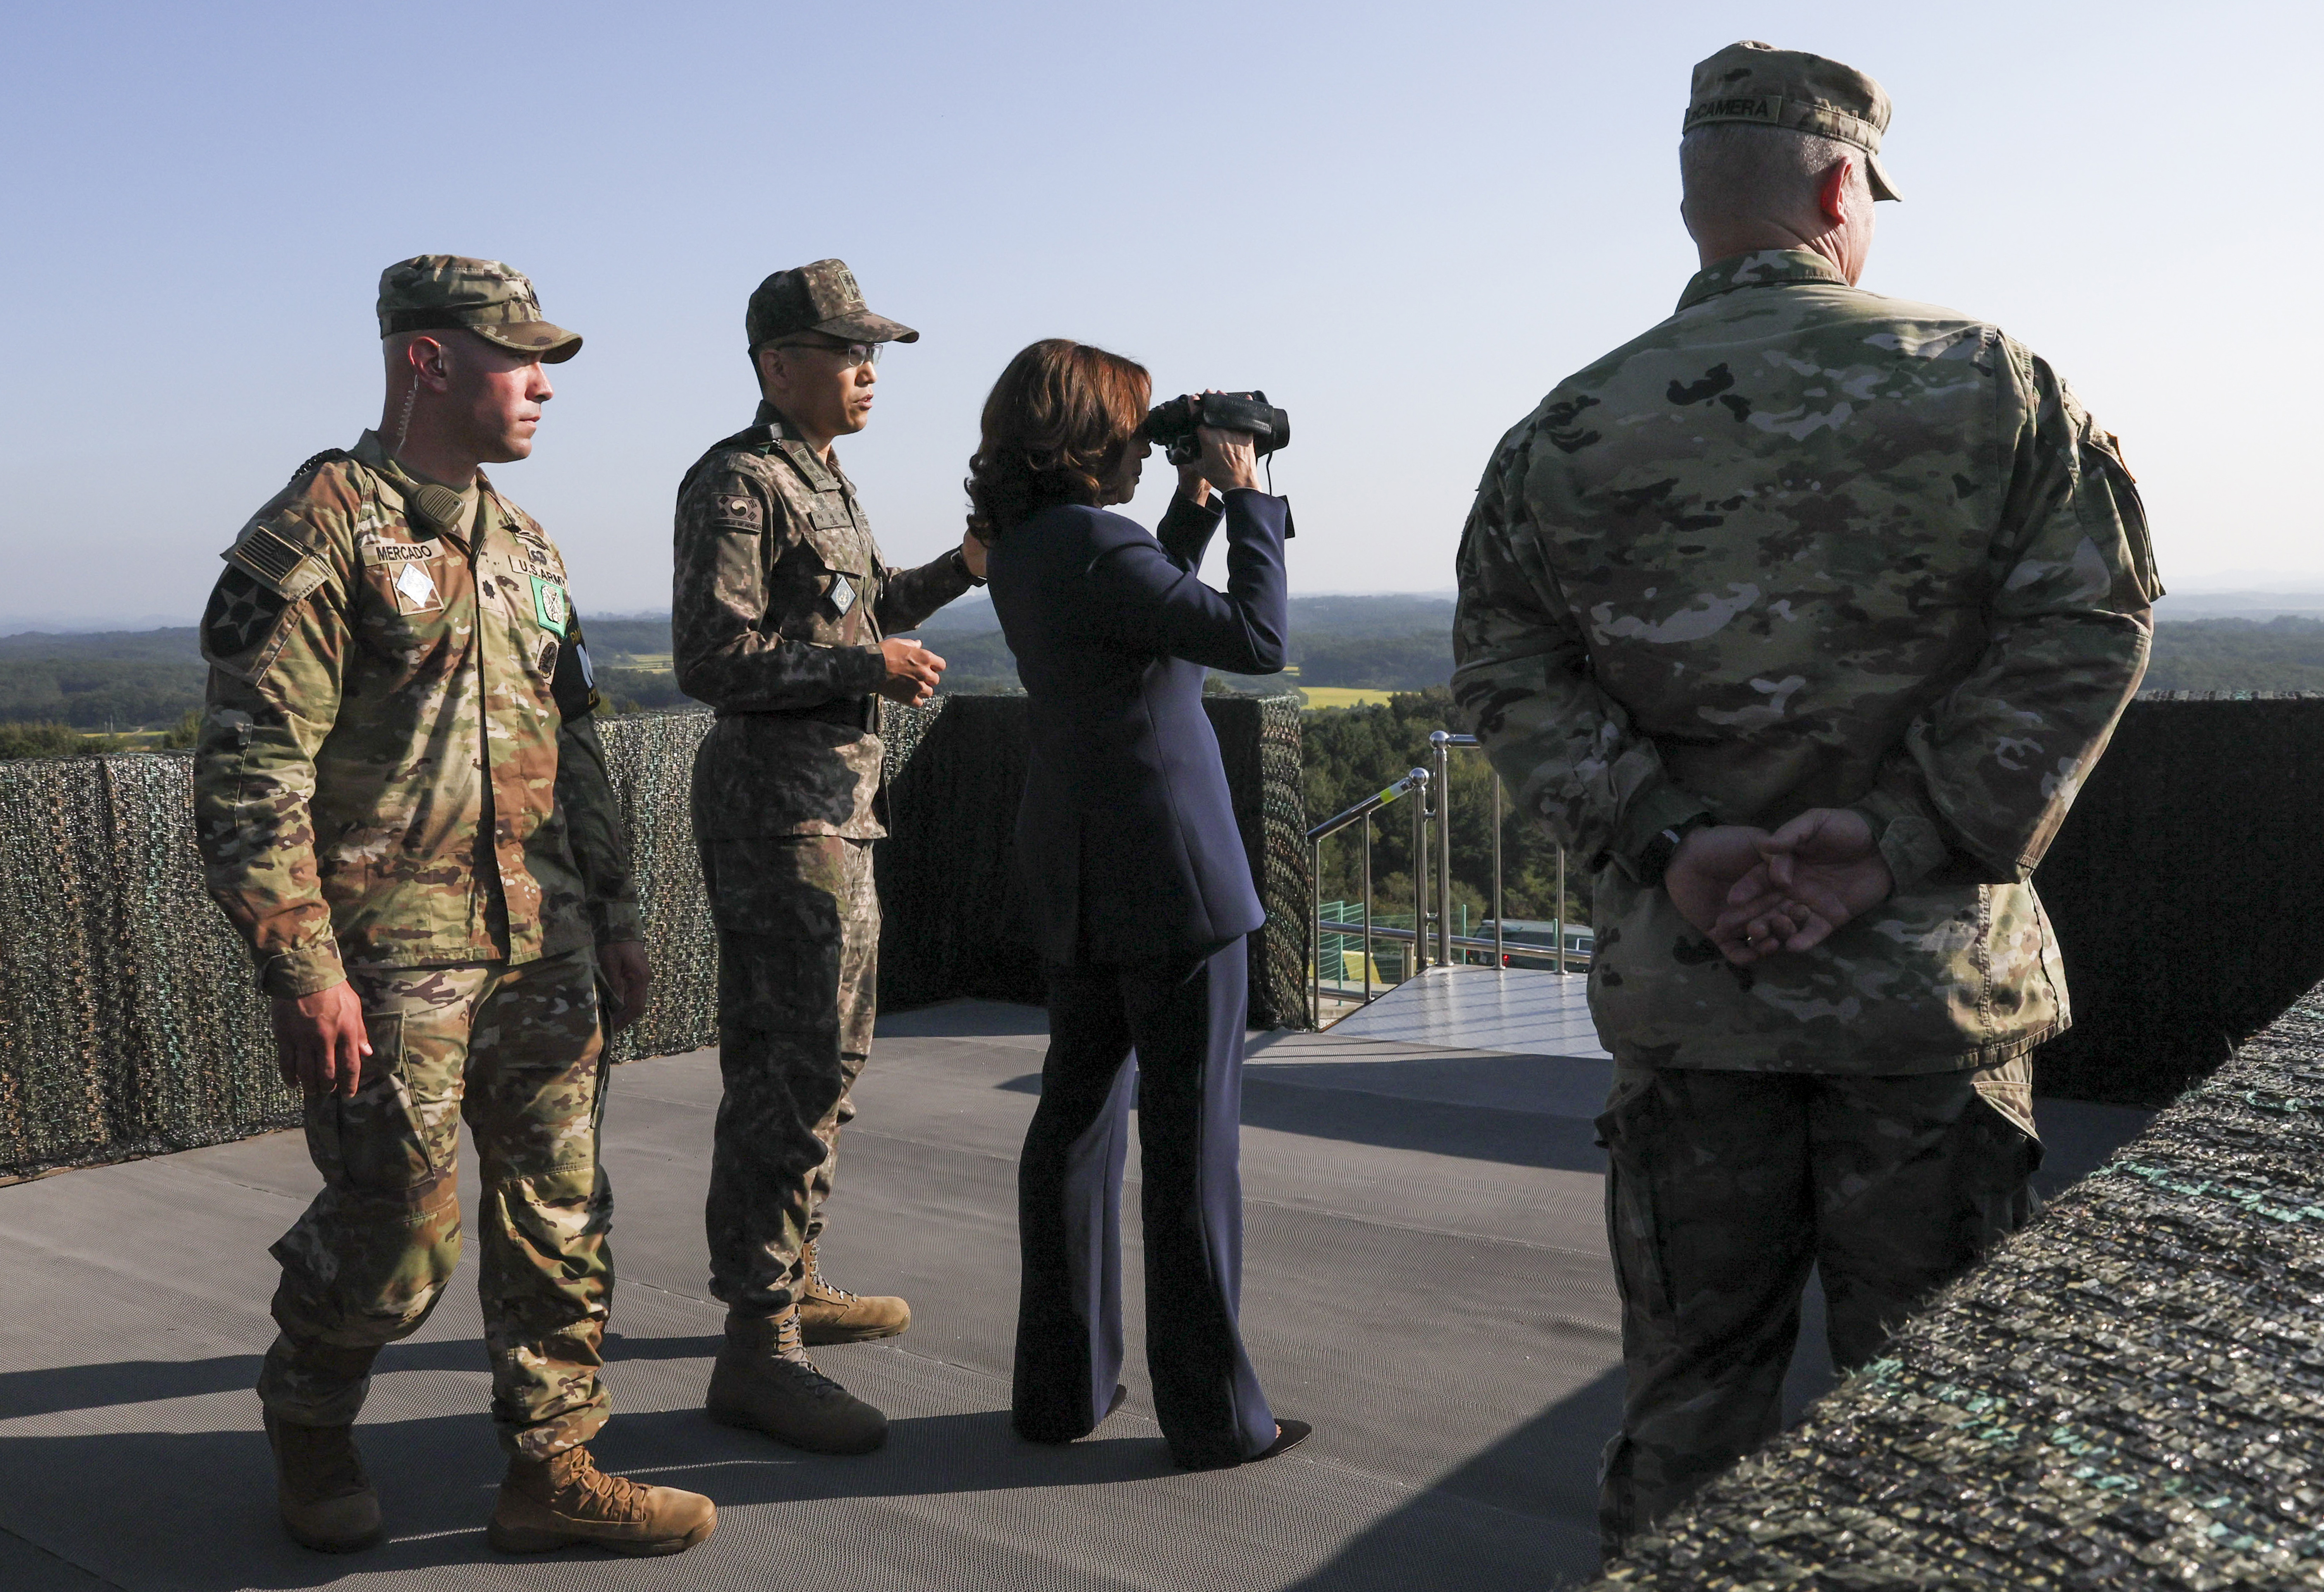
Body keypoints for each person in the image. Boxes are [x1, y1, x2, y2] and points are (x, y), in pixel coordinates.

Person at [1451, 41, 2160, 1555]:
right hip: (1925, 1005)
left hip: (1696, 1001)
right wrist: (1893, 841)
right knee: (1943, 1425)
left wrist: (1677, 846)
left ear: (1697, 202)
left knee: (1694, 1400)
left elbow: (1506, 672)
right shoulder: (1996, 387)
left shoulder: (1563, 432)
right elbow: (2089, 624)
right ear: (1843, 183)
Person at [193, 255, 713, 1556]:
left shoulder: (526, 544)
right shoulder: (323, 524)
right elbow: (253, 764)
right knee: (400, 1232)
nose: (542, 384)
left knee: (558, 1213)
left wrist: (625, 914)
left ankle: (554, 1467)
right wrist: (301, 963)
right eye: (516, 356)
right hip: (390, 959)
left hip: (546, 943)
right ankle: (308, 1415)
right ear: (428, 360)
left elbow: (578, 742)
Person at [671, 258, 985, 1454]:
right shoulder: (741, 482)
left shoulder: (826, 483)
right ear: (777, 365)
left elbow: (864, 605)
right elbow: (714, 658)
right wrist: (870, 669)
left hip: (834, 811)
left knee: (822, 1059)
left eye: (876, 353)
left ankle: (788, 1280)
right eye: (849, 351)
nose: (869, 371)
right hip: (780, 816)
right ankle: (760, 1347)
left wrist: (960, 570)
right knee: (795, 1065)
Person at [978, 340, 1309, 1470]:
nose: (1139, 443)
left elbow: (1139, 610)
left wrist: (1191, 504)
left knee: (1074, 1124)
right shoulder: (1089, 543)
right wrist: (1253, 500)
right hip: (1173, 879)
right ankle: (1214, 1416)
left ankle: (1061, 1389)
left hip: (1078, 871)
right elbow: (1256, 644)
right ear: (1084, 439)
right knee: (1188, 1145)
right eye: (1127, 429)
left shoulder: (1032, 547)